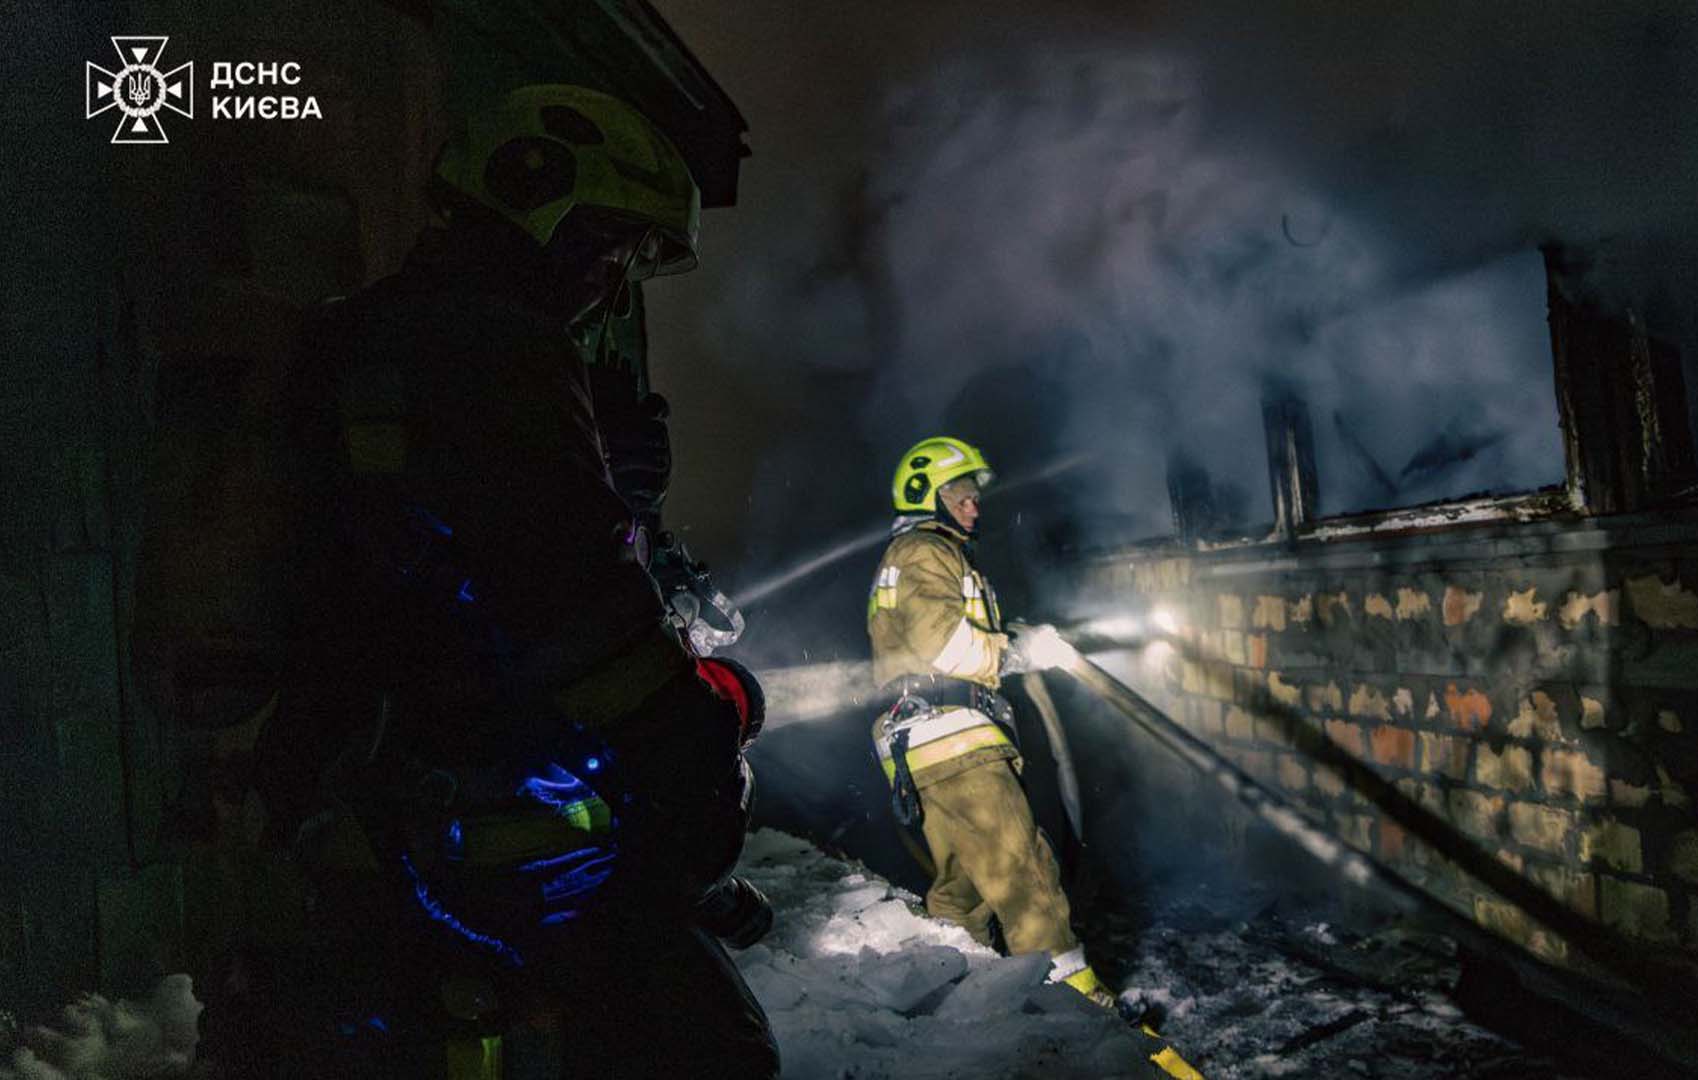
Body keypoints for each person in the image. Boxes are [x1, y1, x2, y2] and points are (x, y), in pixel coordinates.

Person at [236, 84, 777, 1078]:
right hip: (485, 816)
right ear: (545, 210)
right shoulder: (493, 346)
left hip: (364, 798)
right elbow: (569, 602)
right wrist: (692, 740)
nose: (609, 290)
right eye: (613, 252)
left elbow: (427, 549)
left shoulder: (363, 336)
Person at [865, 436, 1108, 1001]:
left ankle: (958, 996)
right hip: (955, 743)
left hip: (926, 748)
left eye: (975, 496)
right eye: (961, 495)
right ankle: (1080, 1006)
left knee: (964, 889)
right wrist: (1013, 653)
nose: (975, 506)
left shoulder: (921, 556)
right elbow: (943, 644)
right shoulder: (926, 551)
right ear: (927, 496)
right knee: (1025, 875)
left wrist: (1010, 635)